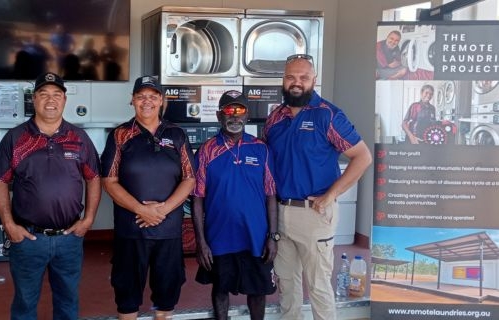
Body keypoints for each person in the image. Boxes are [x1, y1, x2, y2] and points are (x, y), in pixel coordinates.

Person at [263, 54, 372, 320]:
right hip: (280, 213)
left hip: (314, 213)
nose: (296, 83)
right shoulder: (275, 118)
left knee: (319, 287)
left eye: (303, 77)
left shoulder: (328, 115)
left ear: (314, 80)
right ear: (283, 80)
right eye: (291, 77)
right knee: (286, 284)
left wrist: (331, 195)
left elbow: (363, 157)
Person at [0, 72, 101, 320]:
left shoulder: (78, 138)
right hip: (28, 239)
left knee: (68, 303)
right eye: (44, 94)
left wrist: (89, 219)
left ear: (64, 100)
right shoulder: (16, 138)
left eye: (57, 95)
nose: (51, 100)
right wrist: (9, 225)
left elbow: (93, 177)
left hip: (69, 239)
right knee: (25, 304)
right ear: (34, 99)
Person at [101, 76, 196, 320]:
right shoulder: (120, 135)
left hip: (168, 231)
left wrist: (163, 209)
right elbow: (109, 181)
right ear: (132, 100)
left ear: (161, 101)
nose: (147, 102)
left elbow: (189, 178)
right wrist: (139, 209)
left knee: (167, 293)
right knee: (127, 294)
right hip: (131, 231)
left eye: (153, 97)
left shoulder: (176, 134)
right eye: (141, 96)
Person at [192, 90, 279, 320]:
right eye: (229, 110)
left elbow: (271, 194)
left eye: (239, 110)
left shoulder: (261, 148)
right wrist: (201, 241)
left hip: (256, 237)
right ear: (220, 115)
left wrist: (273, 236)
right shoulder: (206, 151)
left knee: (258, 291)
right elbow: (198, 197)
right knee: (220, 288)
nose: (234, 116)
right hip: (219, 237)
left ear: (247, 115)